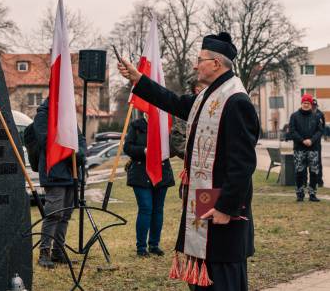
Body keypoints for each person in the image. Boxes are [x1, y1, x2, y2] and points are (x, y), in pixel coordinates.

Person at [118, 32, 259, 291]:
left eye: (200, 59)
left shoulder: (236, 100)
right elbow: (174, 102)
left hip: (223, 208)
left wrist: (227, 208)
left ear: (216, 63)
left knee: (222, 276)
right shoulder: (209, 96)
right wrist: (139, 80)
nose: (195, 65)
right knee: (204, 272)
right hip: (205, 198)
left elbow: (243, 164)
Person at [33, 98, 86, 268]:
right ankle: (44, 252)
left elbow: (81, 139)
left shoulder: (68, 115)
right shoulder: (42, 116)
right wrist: (71, 149)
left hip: (71, 173)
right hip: (54, 172)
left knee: (66, 215)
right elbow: (46, 141)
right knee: (53, 214)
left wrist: (79, 154)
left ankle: (58, 251)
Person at [124, 114, 175, 257]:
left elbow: (172, 148)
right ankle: (141, 247)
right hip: (141, 174)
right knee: (146, 208)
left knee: (158, 209)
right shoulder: (136, 125)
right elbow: (127, 147)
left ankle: (154, 244)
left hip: (161, 172)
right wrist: (144, 151)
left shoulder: (165, 125)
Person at [289, 94, 323, 201]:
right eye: (304, 103)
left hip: (313, 148)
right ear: (301, 103)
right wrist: (302, 140)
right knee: (299, 172)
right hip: (299, 149)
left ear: (311, 104)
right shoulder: (294, 116)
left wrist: (311, 140)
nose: (306, 105)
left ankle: (312, 194)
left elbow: (320, 131)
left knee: (314, 172)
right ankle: (300, 194)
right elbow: (292, 131)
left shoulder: (316, 117)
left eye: (308, 103)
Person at [312, 99, 325, 187]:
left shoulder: (320, 114)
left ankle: (319, 180)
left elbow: (322, 127)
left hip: (317, 142)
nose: (314, 108)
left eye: (315, 106)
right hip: (308, 142)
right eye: (313, 106)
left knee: (318, 162)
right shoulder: (306, 113)